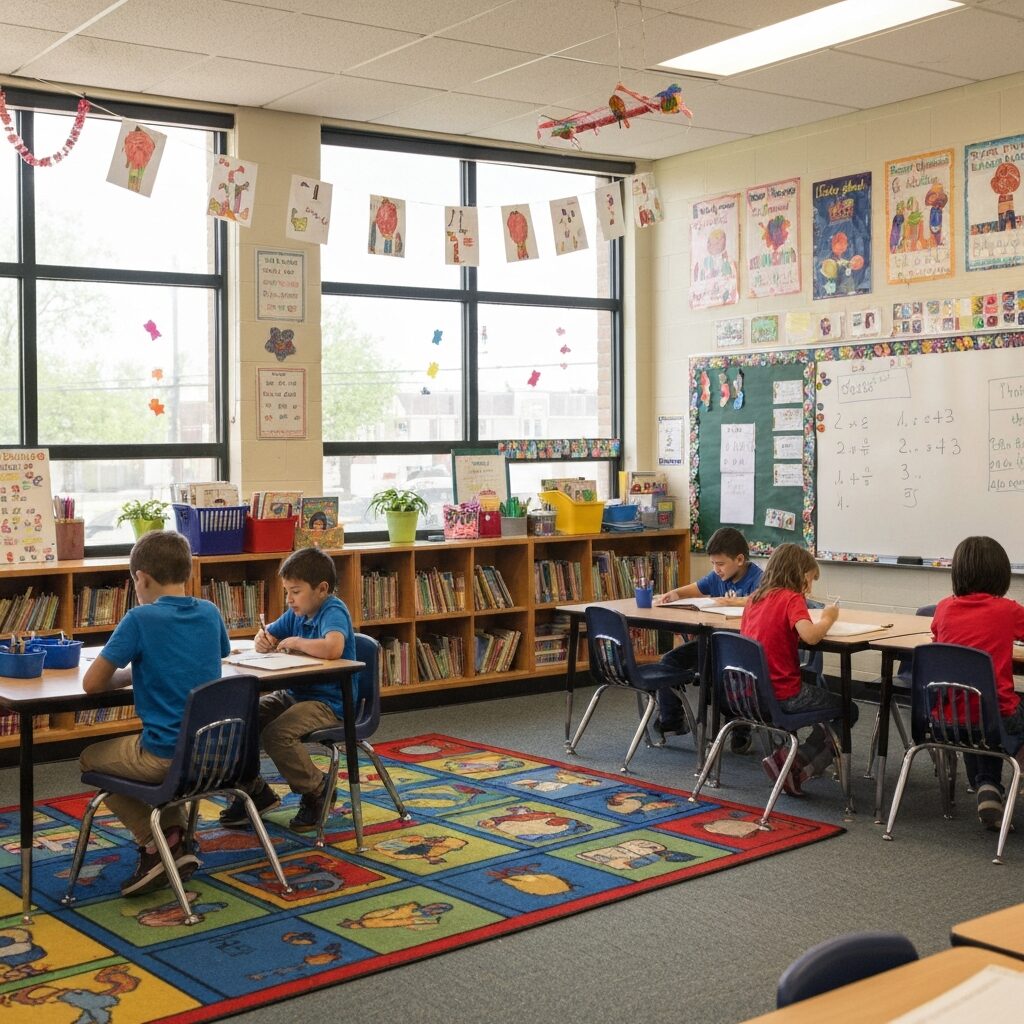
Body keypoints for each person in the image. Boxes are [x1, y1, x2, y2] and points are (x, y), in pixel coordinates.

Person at [80, 531, 230, 897]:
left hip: (166, 756)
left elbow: (92, 684)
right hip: (219, 753)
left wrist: (128, 672)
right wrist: (143, 669)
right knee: (154, 760)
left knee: (90, 760)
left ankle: (155, 843)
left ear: (140, 578)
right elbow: (221, 653)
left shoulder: (140, 619)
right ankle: (174, 838)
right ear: (187, 573)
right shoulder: (210, 612)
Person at [219, 547, 356, 833]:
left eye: (295, 591)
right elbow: (268, 633)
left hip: (329, 701)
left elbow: (333, 647)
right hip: (295, 694)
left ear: (321, 589)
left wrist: (296, 642)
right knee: (241, 721)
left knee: (277, 735)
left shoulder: (333, 610)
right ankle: (255, 791)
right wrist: (263, 639)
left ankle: (318, 789)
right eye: (286, 592)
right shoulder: (297, 613)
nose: (289, 599)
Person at [739, 543, 857, 796]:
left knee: (830, 702)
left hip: (750, 694)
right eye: (810, 579)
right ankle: (796, 765)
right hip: (783, 694)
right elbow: (811, 636)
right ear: (798, 573)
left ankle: (787, 760)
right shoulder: (792, 598)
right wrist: (828, 618)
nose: (810, 587)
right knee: (849, 709)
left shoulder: (754, 599)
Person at [930, 536, 1024, 829]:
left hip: (946, 722)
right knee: (1001, 712)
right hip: (993, 719)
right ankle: (1004, 779)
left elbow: (938, 638)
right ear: (1000, 573)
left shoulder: (943, 608)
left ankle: (988, 786)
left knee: (979, 714)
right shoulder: (1007, 610)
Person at [650, 528, 763, 742]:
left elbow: (766, 598)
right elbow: (696, 588)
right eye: (713, 564)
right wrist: (675, 594)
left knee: (725, 674)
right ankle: (672, 719)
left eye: (720, 564)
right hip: (713, 644)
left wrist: (737, 601)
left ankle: (740, 725)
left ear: (739, 559)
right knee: (668, 661)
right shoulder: (716, 577)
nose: (716, 569)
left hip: (742, 650)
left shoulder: (758, 578)